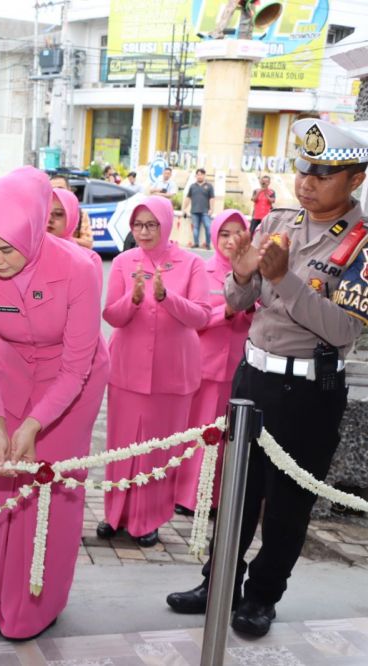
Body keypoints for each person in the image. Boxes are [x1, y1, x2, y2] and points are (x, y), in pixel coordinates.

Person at [167, 118, 368, 637]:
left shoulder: (361, 246)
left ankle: (261, 596)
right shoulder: (279, 222)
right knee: (236, 490)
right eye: (303, 170)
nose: (307, 183)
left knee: (287, 504)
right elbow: (238, 302)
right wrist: (241, 272)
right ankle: (218, 583)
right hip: (252, 378)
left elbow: (344, 330)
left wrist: (283, 278)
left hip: (307, 390)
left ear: (355, 180)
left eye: (323, 175)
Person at [0, 167, 109, 640]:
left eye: (6, 249)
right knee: (5, 476)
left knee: (52, 485)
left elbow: (75, 367)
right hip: (12, 373)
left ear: (33, 232)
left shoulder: (80, 267)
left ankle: (38, 601)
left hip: (72, 382)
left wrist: (33, 425)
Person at [97, 195, 211, 547]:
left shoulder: (191, 263)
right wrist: (133, 299)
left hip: (172, 373)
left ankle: (150, 519)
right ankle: (115, 515)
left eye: (151, 225)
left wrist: (166, 298)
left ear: (166, 224)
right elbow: (111, 316)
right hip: (128, 370)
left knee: (160, 449)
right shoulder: (124, 262)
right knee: (122, 446)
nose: (144, 232)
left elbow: (202, 316)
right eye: (138, 225)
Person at [172, 210, 253, 516]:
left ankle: (218, 498)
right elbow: (192, 318)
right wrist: (227, 312)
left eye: (238, 233)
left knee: (227, 437)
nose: (231, 241)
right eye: (224, 234)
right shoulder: (202, 272)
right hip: (203, 366)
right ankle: (187, 496)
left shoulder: (255, 275)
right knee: (198, 433)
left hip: (239, 367)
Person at [48, 187, 103, 280]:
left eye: (58, 214)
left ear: (72, 217)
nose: (49, 219)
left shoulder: (89, 259)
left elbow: (88, 242)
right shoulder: (26, 256)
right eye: (45, 212)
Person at [49, 175, 94, 250]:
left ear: (69, 191)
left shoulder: (80, 214)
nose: (56, 192)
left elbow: (88, 244)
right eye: (52, 190)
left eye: (60, 189)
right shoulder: (41, 213)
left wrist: (64, 239)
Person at [184, 168, 215, 249]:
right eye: (198, 175)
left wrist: (211, 209)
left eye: (201, 174)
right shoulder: (192, 186)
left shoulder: (209, 186)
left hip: (205, 211)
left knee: (208, 227)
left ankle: (207, 244)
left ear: (204, 175)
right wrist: (184, 208)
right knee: (195, 228)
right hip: (194, 211)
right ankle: (196, 243)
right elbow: (188, 198)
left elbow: (212, 198)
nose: (199, 176)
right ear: (196, 176)